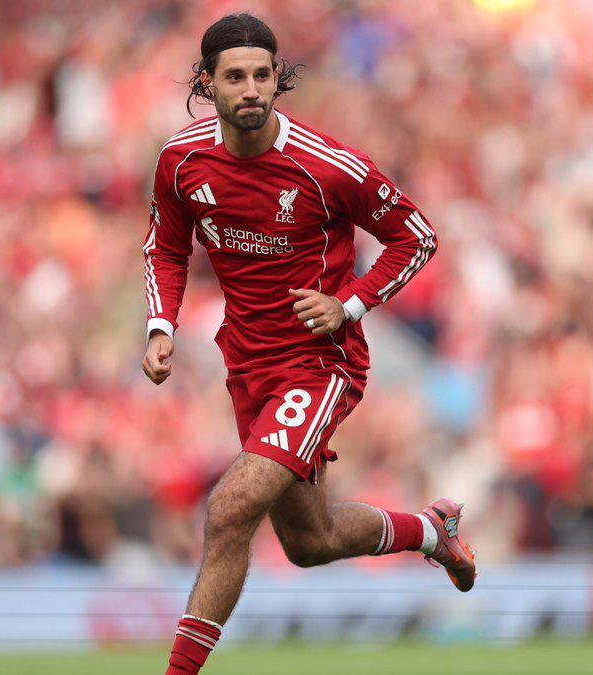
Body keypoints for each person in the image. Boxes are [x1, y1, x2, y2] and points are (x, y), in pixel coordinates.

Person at [140, 13, 475, 674]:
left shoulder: (326, 164)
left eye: (262, 75)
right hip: (247, 363)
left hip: (318, 363)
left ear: (277, 79)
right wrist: (160, 326)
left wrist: (348, 303)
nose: (251, 89)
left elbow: (416, 236)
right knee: (309, 542)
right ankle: (431, 531)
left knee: (231, 508)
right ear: (207, 83)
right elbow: (166, 248)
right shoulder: (181, 161)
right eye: (235, 76)